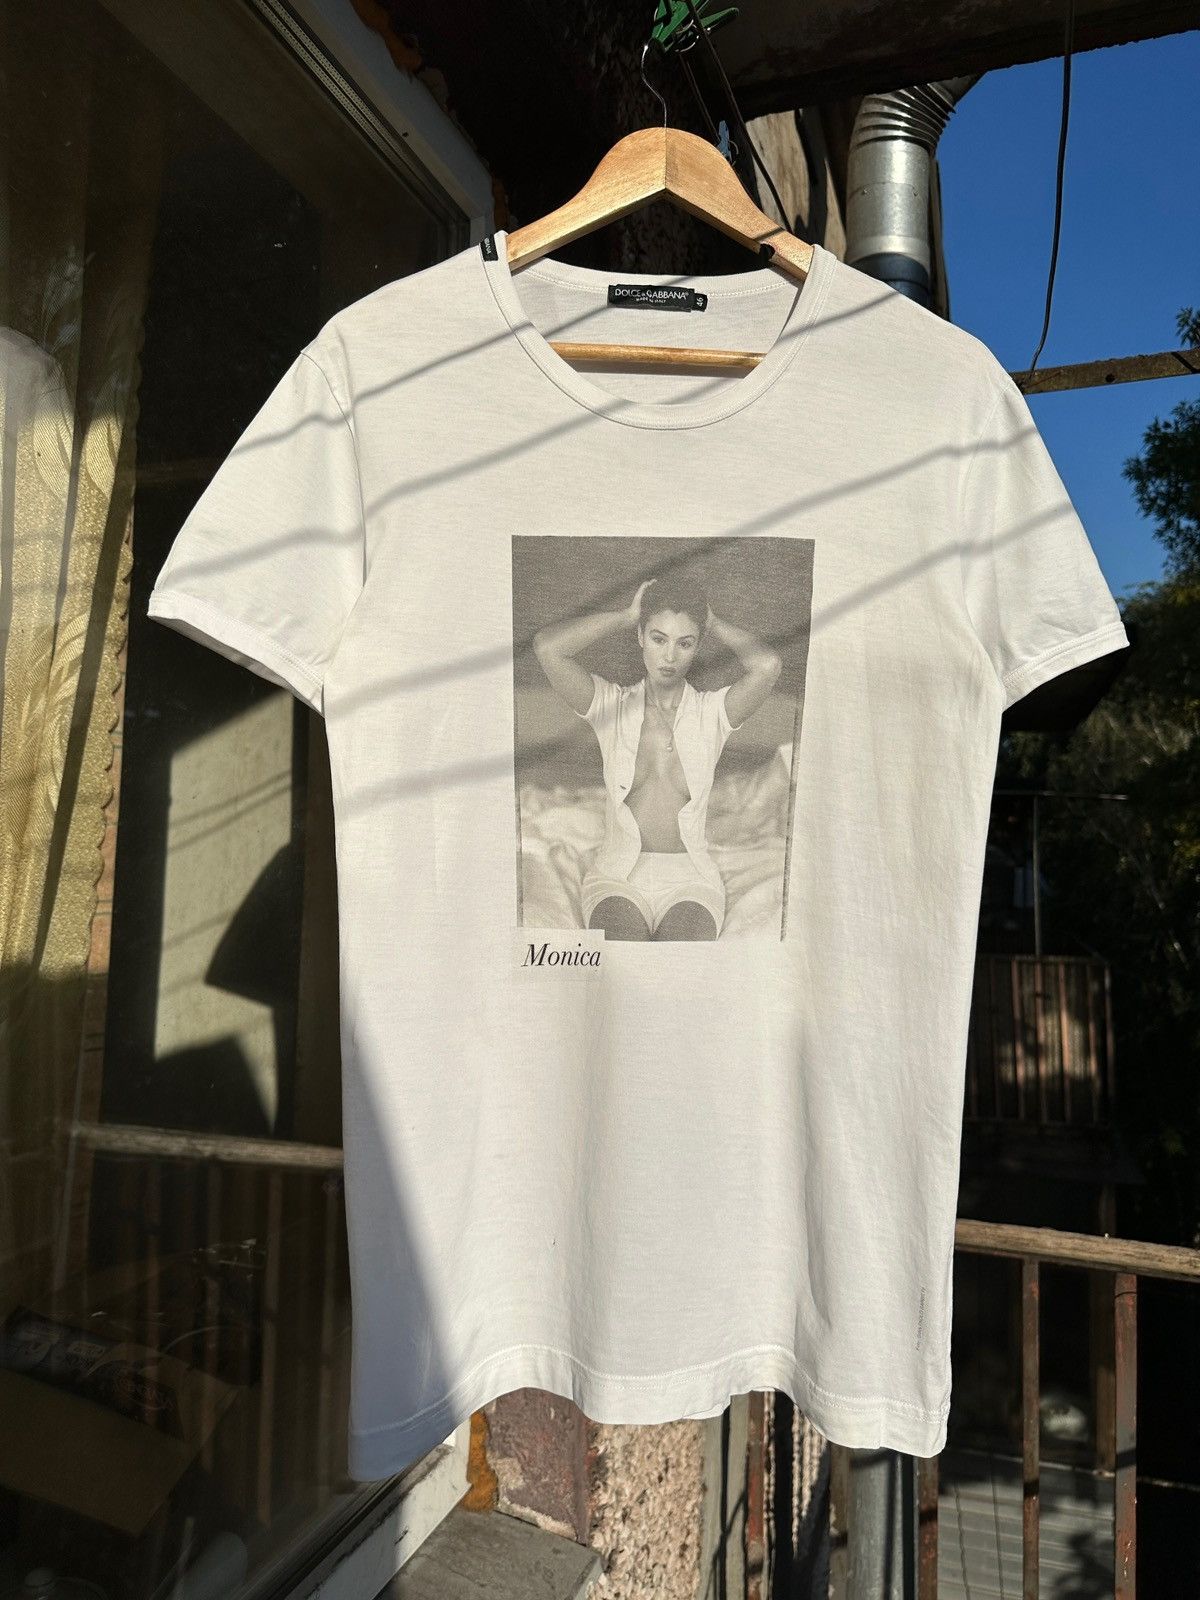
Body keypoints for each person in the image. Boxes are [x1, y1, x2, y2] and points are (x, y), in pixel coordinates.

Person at [533, 574, 782, 940]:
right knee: (624, 962)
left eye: (685, 643)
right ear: (641, 638)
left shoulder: (713, 714)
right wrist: (625, 616)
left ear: (697, 646)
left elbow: (768, 665)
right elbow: (547, 648)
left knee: (674, 965)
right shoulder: (611, 707)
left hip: (691, 880)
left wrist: (712, 622)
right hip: (617, 876)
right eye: (658, 638)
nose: (669, 656)